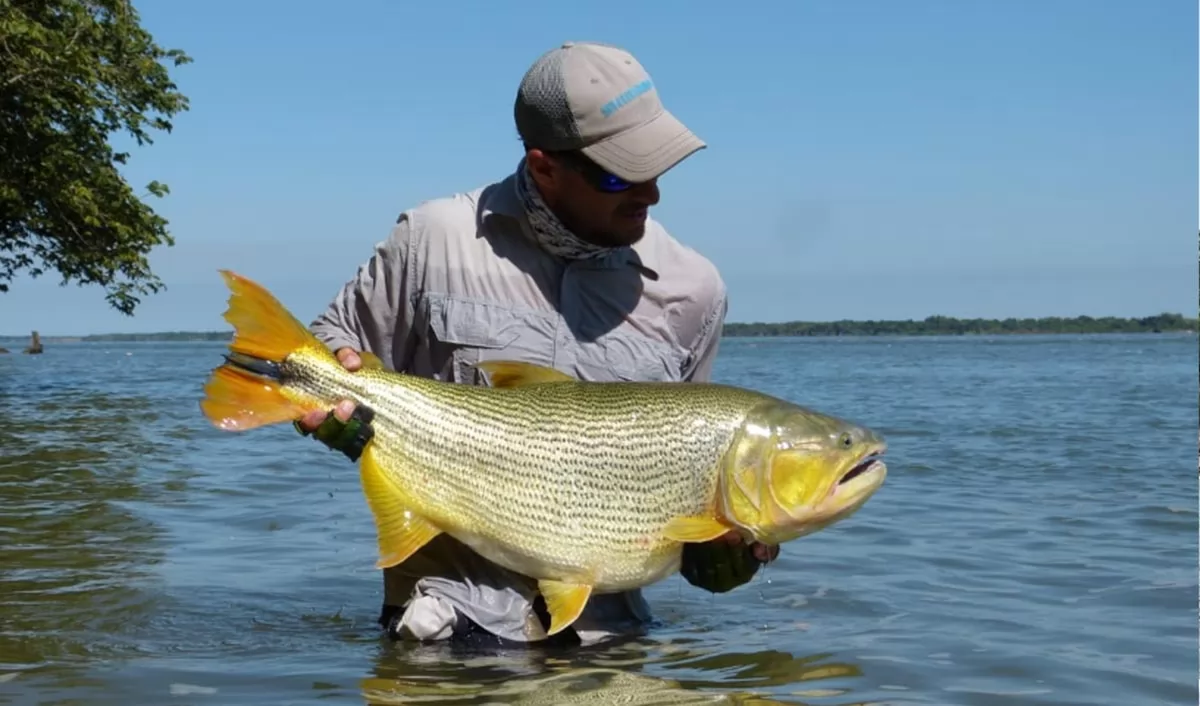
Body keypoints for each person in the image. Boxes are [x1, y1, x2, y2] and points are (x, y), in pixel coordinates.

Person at [296, 40, 779, 648]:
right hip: (442, 637)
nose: (649, 193)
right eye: (620, 174)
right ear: (544, 165)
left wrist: (719, 563)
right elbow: (322, 357)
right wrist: (332, 417)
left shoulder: (695, 290)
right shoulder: (432, 239)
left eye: (657, 166)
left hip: (611, 649)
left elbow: (684, 507)